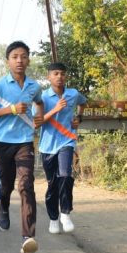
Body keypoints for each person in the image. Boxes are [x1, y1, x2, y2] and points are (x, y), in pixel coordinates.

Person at [0, 40, 44, 253]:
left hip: (25, 141)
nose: (20, 60)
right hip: (2, 142)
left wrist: (39, 117)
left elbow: (40, 103)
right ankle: (3, 205)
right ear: (7, 61)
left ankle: (28, 237)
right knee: (6, 184)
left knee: (26, 184)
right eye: (15, 56)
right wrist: (10, 109)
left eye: (24, 56)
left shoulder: (34, 86)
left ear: (28, 60)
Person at [38, 62, 86, 234]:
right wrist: (55, 109)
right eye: (56, 73)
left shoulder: (72, 94)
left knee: (65, 175)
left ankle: (65, 213)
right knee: (52, 184)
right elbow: (37, 122)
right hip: (47, 146)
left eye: (63, 74)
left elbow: (83, 103)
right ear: (48, 77)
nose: (60, 77)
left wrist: (78, 118)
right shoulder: (42, 97)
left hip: (66, 142)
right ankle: (53, 218)